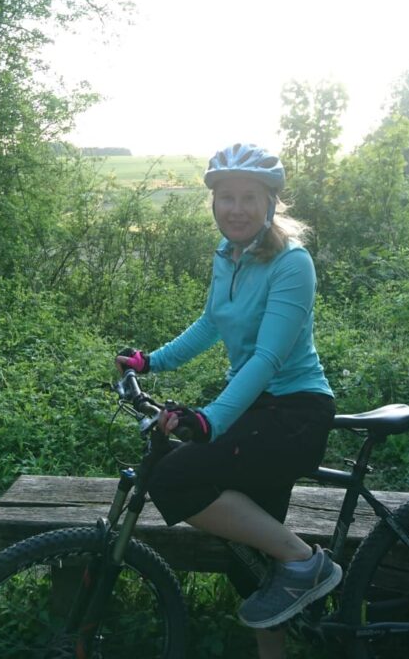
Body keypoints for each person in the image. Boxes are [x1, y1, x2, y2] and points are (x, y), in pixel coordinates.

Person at [116, 142, 339, 659]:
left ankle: (308, 562)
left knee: (173, 475)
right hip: (259, 411)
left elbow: (266, 359)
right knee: (257, 564)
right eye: (226, 197)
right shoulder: (228, 256)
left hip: (295, 414)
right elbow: (211, 323)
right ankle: (290, 583)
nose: (236, 208)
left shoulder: (292, 263)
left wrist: (211, 420)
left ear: (270, 204)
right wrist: (151, 362)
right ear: (213, 203)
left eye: (249, 197)